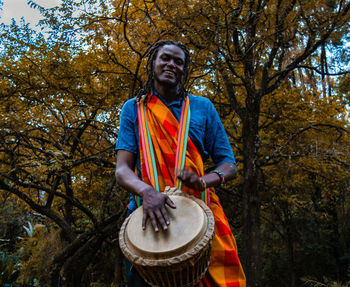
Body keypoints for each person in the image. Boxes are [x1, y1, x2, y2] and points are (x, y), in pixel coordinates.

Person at [115, 40, 246, 287]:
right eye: (165, 58)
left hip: (200, 216)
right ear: (152, 63)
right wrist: (147, 191)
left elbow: (229, 164)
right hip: (147, 215)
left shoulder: (202, 108)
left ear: (185, 70)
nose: (171, 64)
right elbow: (122, 169)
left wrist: (202, 180)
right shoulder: (134, 109)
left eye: (178, 61)